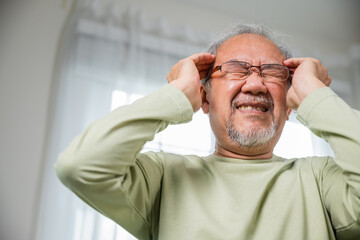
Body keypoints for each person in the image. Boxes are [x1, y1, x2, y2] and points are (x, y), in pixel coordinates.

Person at [56, 24, 360, 240]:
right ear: (204, 98)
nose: (255, 85)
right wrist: (177, 93)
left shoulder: (323, 182)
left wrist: (317, 96)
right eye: (236, 69)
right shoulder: (164, 177)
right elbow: (80, 166)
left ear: (291, 102)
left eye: (271, 72)